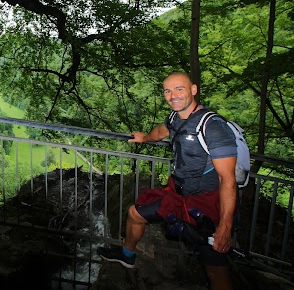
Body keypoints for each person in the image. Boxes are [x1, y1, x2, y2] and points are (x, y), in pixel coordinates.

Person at [97, 71, 237, 290]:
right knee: (135, 213)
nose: (173, 96)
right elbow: (160, 132)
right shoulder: (174, 118)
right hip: (177, 194)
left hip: (205, 203)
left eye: (179, 89)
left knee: (214, 266)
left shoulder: (214, 127)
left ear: (193, 90)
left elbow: (227, 179)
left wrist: (225, 226)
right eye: (167, 91)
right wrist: (145, 138)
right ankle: (127, 255)